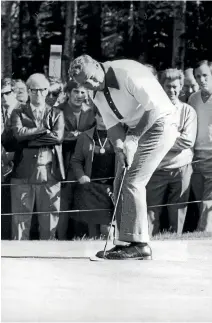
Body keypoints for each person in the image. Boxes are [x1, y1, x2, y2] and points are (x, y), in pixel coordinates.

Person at [69, 54, 179, 260]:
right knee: (120, 180)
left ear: (97, 65)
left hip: (161, 123)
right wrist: (120, 148)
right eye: (85, 83)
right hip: (135, 130)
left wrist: (133, 139)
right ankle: (123, 242)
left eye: (92, 78)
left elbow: (154, 108)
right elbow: (112, 126)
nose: (91, 84)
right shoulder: (95, 94)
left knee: (133, 181)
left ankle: (141, 244)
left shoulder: (127, 72)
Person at [10, 73, 65, 240]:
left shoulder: (57, 113)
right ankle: (17, 258)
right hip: (23, 172)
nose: (38, 94)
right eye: (34, 90)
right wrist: (42, 130)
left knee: (49, 220)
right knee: (20, 220)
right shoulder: (18, 112)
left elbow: (57, 138)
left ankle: (47, 257)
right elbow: (19, 134)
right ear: (28, 91)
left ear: (47, 90)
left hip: (50, 172)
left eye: (42, 90)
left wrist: (29, 138)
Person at [146, 69, 197, 235]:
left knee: (178, 212)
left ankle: (176, 244)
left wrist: (162, 140)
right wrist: (174, 137)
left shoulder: (188, 111)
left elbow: (187, 141)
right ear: (162, 87)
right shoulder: (152, 111)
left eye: (175, 86)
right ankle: (147, 245)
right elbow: (148, 138)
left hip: (181, 169)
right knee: (151, 212)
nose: (172, 90)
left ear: (181, 86)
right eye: (168, 86)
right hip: (156, 168)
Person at [57, 79, 96, 240]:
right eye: (75, 91)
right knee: (63, 202)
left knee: (83, 200)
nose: (79, 95)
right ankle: (60, 237)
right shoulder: (58, 110)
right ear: (68, 93)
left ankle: (83, 238)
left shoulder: (91, 112)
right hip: (63, 161)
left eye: (82, 92)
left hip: (85, 163)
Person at [71, 110, 115, 238]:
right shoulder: (84, 136)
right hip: (91, 187)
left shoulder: (118, 135)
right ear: (95, 116)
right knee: (92, 231)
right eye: (101, 114)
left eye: (107, 114)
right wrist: (81, 176)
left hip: (111, 188)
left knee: (107, 230)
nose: (103, 118)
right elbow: (76, 160)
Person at [188, 60, 212, 232]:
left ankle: (201, 234)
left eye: (205, 75)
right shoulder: (193, 98)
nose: (201, 79)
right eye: (198, 76)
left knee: (208, 201)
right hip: (195, 156)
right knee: (199, 203)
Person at [1, 78, 20, 239]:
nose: (3, 98)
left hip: (19, 166)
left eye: (7, 93)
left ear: (15, 93)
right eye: (0, 95)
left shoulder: (23, 111)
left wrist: (12, 156)